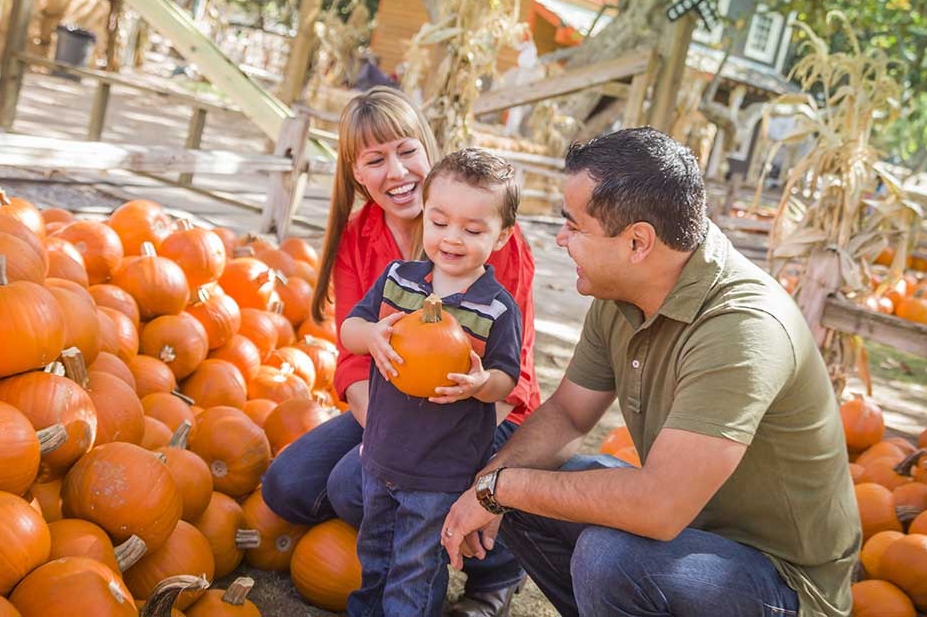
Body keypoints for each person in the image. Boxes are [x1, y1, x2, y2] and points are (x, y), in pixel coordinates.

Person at [441, 127, 862, 617]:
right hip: (688, 533)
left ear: (638, 241)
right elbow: (570, 416)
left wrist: (501, 491)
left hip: (783, 583)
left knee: (606, 554)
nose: (560, 239)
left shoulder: (743, 329)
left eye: (574, 226)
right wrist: (490, 483)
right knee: (509, 461)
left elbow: (658, 508)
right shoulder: (621, 289)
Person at [261, 86, 540, 616]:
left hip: (479, 410)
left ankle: (494, 567)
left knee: (352, 485)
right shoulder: (361, 239)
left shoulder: (488, 235)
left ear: (427, 150)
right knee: (291, 484)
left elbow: (513, 378)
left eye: (406, 150)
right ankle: (394, 531)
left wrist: (462, 466)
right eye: (375, 159)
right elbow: (352, 351)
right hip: (390, 403)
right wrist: (383, 439)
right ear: (356, 174)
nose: (396, 171)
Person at [342, 148, 523, 616]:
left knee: (415, 571)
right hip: (380, 454)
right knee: (374, 559)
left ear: (502, 236)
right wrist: (372, 334)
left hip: (440, 472)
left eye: (473, 229)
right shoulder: (398, 280)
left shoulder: (496, 308)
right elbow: (349, 329)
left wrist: (481, 382)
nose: (451, 239)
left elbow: (508, 378)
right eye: (440, 222)